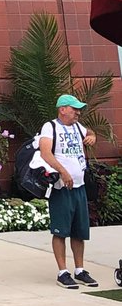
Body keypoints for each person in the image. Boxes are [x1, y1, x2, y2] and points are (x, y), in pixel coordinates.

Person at [39, 94, 98, 288]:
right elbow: (45, 153)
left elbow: (90, 131)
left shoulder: (77, 127)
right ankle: (62, 271)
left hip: (79, 186)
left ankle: (79, 269)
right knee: (61, 230)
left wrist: (91, 137)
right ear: (62, 109)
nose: (78, 113)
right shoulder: (50, 127)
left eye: (79, 110)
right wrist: (63, 172)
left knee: (79, 231)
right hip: (61, 188)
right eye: (74, 109)